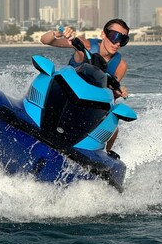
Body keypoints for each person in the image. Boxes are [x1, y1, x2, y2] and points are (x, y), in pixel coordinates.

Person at [40, 19, 130, 152]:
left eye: (123, 40)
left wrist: (119, 91)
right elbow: (45, 40)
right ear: (103, 34)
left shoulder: (120, 66)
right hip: (63, 96)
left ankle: (104, 156)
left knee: (114, 129)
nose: (117, 43)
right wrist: (57, 33)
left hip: (89, 109)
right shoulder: (85, 45)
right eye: (114, 36)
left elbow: (111, 97)